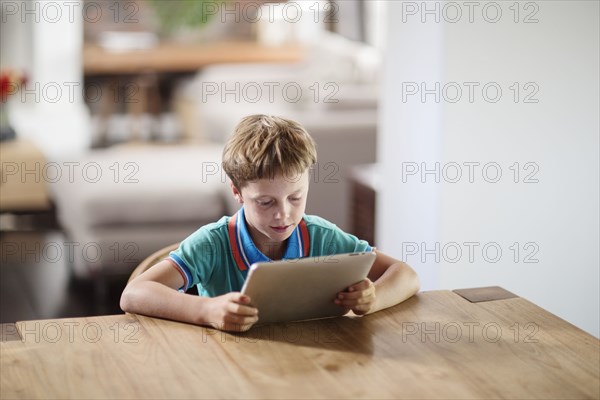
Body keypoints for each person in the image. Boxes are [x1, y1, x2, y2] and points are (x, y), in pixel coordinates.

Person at [120, 114, 419, 332]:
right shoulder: (213, 244)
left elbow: (405, 274)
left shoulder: (323, 238)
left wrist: (373, 298)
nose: (283, 215)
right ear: (236, 192)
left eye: (295, 198)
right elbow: (134, 293)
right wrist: (206, 309)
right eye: (266, 202)